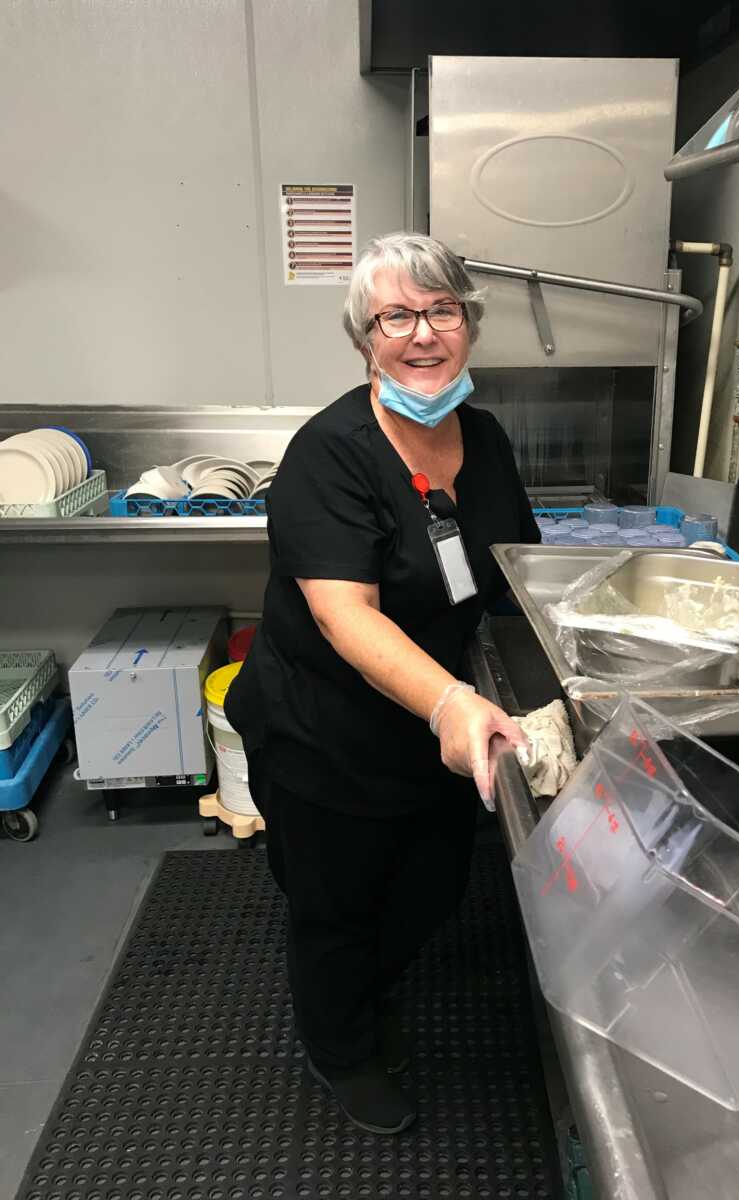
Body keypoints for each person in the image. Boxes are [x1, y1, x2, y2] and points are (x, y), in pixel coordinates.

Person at [225, 232, 539, 1136]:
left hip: (432, 722)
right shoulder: (330, 453)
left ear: (469, 325)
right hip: (326, 729)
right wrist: (448, 700)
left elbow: (513, 569)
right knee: (335, 908)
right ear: (365, 337)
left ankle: (371, 984)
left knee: (434, 885)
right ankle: (341, 1047)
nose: (423, 333)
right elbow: (343, 614)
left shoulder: (481, 437)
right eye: (395, 315)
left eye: (443, 310)